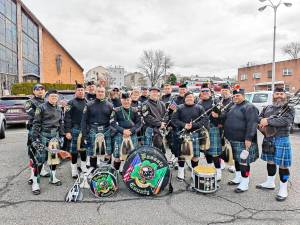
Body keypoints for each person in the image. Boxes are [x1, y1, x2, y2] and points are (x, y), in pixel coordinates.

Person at [256, 87, 295, 201]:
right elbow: (259, 117)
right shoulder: (268, 107)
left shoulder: (289, 109)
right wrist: (261, 122)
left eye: (281, 94)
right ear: (273, 95)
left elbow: (285, 121)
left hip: (281, 138)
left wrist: (268, 121)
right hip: (268, 137)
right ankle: (270, 182)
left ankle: (283, 188)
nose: (279, 96)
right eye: (277, 94)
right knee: (270, 161)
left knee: (283, 165)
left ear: (285, 96)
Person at [224, 85, 259, 193]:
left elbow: (252, 124)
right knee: (237, 160)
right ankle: (238, 177)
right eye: (234, 96)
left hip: (243, 140)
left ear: (243, 96)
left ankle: (245, 182)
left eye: (238, 95)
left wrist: (249, 138)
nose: (236, 97)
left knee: (244, 162)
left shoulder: (250, 107)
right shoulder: (233, 106)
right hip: (232, 139)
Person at [31, 89, 64, 194]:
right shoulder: (41, 108)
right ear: (47, 97)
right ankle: (35, 183)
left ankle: (53, 178)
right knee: (39, 160)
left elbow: (61, 123)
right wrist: (34, 139)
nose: (54, 98)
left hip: (55, 137)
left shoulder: (59, 108)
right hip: (43, 136)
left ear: (58, 98)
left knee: (53, 159)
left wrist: (62, 136)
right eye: (52, 96)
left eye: (56, 97)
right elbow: (36, 123)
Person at [172, 92, 209, 181]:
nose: (189, 98)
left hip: (195, 134)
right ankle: (181, 173)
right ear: (184, 98)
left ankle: (194, 172)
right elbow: (174, 120)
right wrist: (184, 125)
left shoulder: (199, 108)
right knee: (181, 155)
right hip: (182, 134)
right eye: (187, 97)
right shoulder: (179, 108)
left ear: (194, 98)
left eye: (191, 97)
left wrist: (194, 125)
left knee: (195, 155)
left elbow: (205, 119)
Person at [81, 86, 113, 169]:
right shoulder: (89, 105)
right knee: (93, 153)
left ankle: (106, 170)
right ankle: (93, 171)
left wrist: (112, 132)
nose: (100, 93)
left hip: (106, 130)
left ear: (105, 93)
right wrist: (84, 135)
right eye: (99, 91)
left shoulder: (110, 105)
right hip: (93, 129)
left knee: (108, 152)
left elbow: (113, 120)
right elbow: (84, 120)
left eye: (102, 91)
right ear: (96, 92)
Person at [25, 84, 49, 185]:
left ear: (45, 91)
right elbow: (33, 115)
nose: (40, 91)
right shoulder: (29, 102)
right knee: (33, 152)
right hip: (34, 130)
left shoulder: (47, 102)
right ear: (34, 91)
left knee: (43, 151)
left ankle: (42, 170)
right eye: (37, 89)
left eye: (42, 89)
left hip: (44, 131)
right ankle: (32, 175)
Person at [198, 83, 223, 181]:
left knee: (215, 152)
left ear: (210, 92)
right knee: (206, 151)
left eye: (206, 91)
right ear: (200, 93)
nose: (205, 93)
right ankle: (210, 168)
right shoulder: (198, 103)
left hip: (213, 128)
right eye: (203, 91)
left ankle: (218, 171)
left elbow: (221, 115)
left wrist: (218, 116)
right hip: (202, 129)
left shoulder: (215, 102)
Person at [111, 93, 142, 171]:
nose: (126, 102)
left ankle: (129, 172)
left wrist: (131, 131)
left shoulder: (135, 110)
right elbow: (112, 123)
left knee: (132, 155)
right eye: (124, 100)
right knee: (117, 156)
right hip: (120, 134)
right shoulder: (116, 110)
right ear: (121, 100)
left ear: (130, 100)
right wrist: (123, 131)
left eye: (128, 100)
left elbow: (139, 123)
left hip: (132, 135)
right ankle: (116, 172)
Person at [64, 83, 88, 178]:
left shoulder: (87, 102)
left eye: (82, 90)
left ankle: (83, 166)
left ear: (84, 91)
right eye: (79, 90)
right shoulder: (71, 103)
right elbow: (67, 118)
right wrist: (68, 131)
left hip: (85, 129)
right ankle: (74, 169)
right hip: (75, 128)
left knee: (83, 149)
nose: (81, 92)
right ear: (76, 92)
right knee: (74, 151)